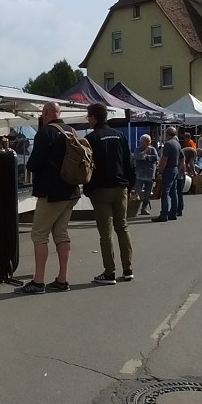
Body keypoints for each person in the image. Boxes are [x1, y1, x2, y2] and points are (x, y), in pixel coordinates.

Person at [19, 102, 79, 293]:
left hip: (51, 193)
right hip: (71, 190)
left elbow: (34, 163)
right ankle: (62, 279)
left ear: (45, 113)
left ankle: (38, 282)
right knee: (61, 234)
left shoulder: (45, 133)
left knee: (39, 235)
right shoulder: (71, 131)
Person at [84, 103, 135, 284]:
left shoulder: (91, 138)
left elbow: (87, 167)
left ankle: (109, 271)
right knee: (122, 227)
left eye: (88, 116)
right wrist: (130, 185)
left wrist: (88, 189)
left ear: (94, 117)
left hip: (101, 190)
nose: (87, 119)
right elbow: (129, 162)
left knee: (105, 233)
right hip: (120, 187)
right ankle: (127, 268)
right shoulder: (120, 135)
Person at [153, 126, 183, 222]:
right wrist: (178, 168)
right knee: (173, 192)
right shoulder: (177, 144)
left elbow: (164, 159)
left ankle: (164, 214)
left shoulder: (168, 144)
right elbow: (182, 158)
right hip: (175, 168)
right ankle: (173, 213)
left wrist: (160, 171)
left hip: (169, 169)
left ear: (167, 134)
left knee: (165, 192)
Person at [133, 134, 159, 216]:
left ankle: (144, 208)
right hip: (140, 174)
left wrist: (146, 157)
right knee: (138, 192)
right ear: (141, 142)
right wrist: (145, 151)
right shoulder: (137, 149)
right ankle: (134, 208)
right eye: (146, 141)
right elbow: (139, 156)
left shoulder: (153, 149)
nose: (148, 143)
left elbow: (156, 158)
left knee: (148, 194)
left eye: (149, 141)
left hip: (150, 175)